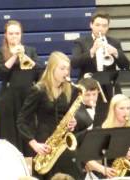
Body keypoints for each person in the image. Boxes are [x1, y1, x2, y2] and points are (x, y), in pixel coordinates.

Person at [17, 51, 83, 180]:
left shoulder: (70, 90)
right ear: (52, 69)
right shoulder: (39, 90)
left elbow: (70, 114)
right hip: (45, 145)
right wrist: (34, 144)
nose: (66, 73)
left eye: (68, 69)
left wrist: (73, 122)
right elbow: (21, 120)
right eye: (62, 68)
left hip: (64, 143)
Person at [0, 20, 41, 155]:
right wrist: (14, 55)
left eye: (17, 33)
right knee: (10, 136)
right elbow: (0, 72)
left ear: (21, 35)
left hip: (27, 98)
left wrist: (26, 57)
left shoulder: (31, 51)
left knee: (27, 132)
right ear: (5, 35)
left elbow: (39, 72)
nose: (14, 36)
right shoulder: (0, 51)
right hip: (8, 100)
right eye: (11, 33)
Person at [71, 11, 130, 100]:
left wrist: (115, 52)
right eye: (97, 25)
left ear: (108, 27)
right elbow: (74, 64)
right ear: (91, 25)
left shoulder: (114, 42)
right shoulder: (80, 42)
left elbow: (126, 66)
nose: (100, 29)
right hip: (88, 87)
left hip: (109, 88)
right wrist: (92, 51)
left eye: (104, 26)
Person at [85, 94, 130, 179]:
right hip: (103, 174)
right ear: (113, 110)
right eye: (122, 108)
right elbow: (87, 159)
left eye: (128, 108)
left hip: (124, 173)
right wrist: (103, 169)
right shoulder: (100, 131)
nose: (126, 112)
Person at [74, 75, 108, 142]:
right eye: (87, 95)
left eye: (94, 94)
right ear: (79, 94)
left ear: (98, 93)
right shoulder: (74, 111)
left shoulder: (104, 108)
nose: (91, 98)